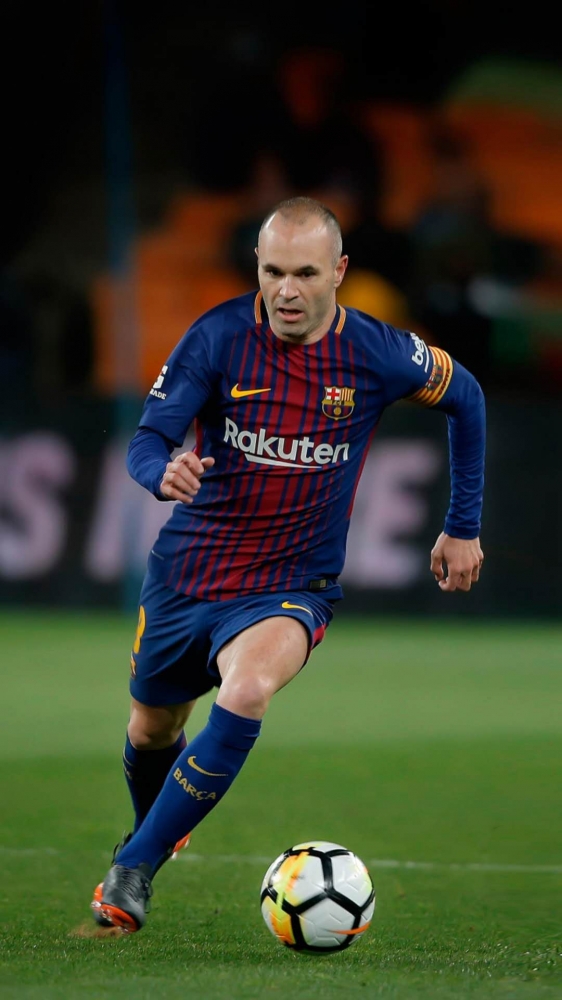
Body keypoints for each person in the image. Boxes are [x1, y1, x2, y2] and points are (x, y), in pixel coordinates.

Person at [91, 197, 485, 933]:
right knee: (151, 729)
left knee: (246, 692)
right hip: (189, 574)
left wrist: (462, 527)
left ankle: (134, 866)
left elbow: (467, 397)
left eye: (305, 272)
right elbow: (148, 440)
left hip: (290, 584)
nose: (287, 290)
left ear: (339, 271)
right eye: (273, 272)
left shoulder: (379, 352)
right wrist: (161, 472)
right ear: (258, 267)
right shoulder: (216, 338)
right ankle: (157, 832)